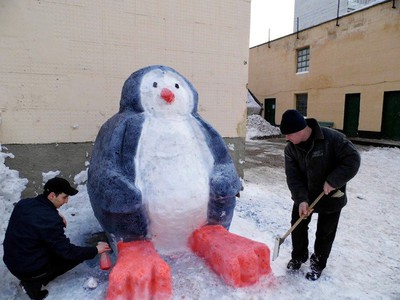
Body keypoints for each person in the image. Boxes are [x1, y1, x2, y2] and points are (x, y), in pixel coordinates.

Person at [279, 109, 361, 281]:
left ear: (300, 130)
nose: (286, 138)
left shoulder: (332, 139)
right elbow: (293, 177)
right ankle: (299, 256)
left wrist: (333, 180)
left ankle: (318, 263)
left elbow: (353, 160)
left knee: (325, 232)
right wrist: (301, 199)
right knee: (298, 224)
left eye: (288, 134)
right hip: (306, 194)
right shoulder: (291, 149)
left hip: (331, 194)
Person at [3, 177, 111, 300]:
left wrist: (56, 214)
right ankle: (32, 284)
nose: (66, 201)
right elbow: (68, 252)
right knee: (74, 256)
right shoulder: (50, 220)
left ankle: (31, 277)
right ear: (52, 196)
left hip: (11, 260)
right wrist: (96, 250)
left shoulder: (24, 203)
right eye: (64, 197)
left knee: (47, 243)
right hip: (28, 269)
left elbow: (40, 217)